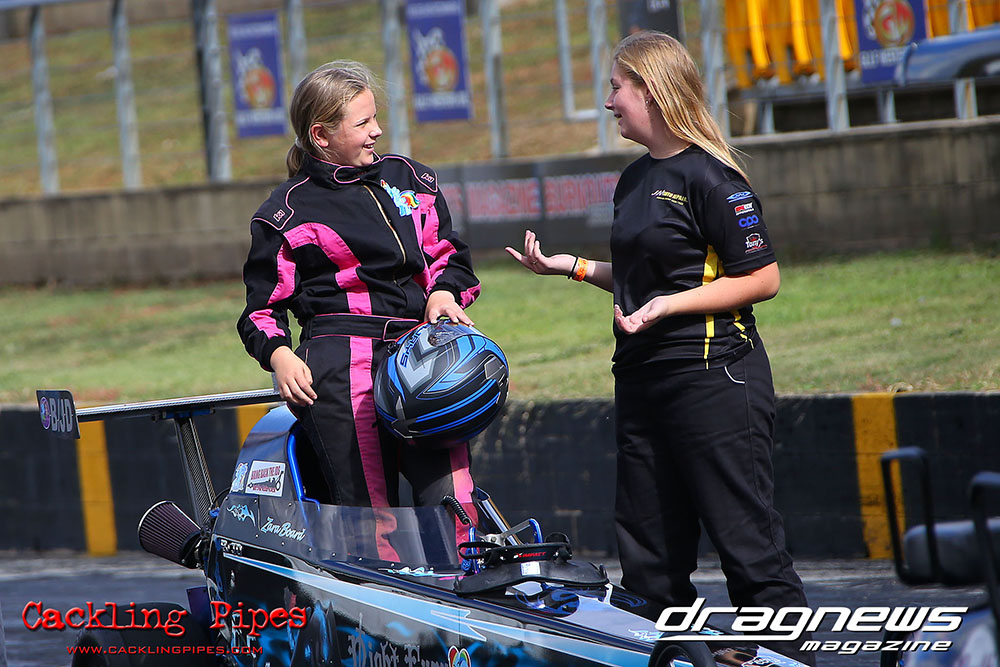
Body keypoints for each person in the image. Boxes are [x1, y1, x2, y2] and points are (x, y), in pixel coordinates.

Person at [505, 31, 813, 664]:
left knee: (747, 544)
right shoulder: (633, 179)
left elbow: (762, 278)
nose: (609, 102)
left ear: (652, 91)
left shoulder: (712, 176)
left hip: (715, 379)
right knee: (648, 558)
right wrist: (571, 267)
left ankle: (789, 656)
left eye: (617, 87)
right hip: (642, 382)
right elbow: (645, 278)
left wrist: (670, 306)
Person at [236, 61, 481, 545]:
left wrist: (444, 292)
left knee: (455, 501)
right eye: (364, 122)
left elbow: (450, 257)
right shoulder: (284, 213)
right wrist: (280, 355)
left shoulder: (411, 179)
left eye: (376, 118)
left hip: (423, 360)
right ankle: (378, 592)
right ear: (321, 135)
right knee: (370, 517)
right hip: (339, 372)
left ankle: (468, 582)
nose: (378, 131)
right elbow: (260, 311)